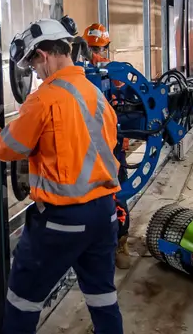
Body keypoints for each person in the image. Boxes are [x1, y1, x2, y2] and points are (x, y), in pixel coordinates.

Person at [0, 18, 123, 334]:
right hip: (105, 215)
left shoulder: (44, 98)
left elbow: (6, 149)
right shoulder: (96, 94)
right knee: (103, 297)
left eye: (33, 64)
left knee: (22, 300)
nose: (34, 73)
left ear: (44, 55)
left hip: (60, 223)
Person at [82, 22, 131, 270]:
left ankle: (120, 243)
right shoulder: (78, 74)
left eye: (99, 48)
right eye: (92, 48)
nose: (96, 54)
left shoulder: (114, 73)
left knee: (116, 193)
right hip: (89, 147)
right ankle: (100, 245)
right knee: (98, 196)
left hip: (111, 145)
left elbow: (126, 104)